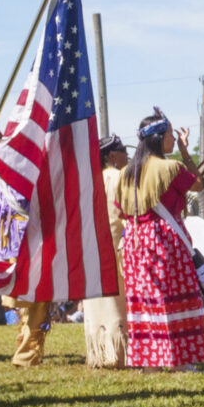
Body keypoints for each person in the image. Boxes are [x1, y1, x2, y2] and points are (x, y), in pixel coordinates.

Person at [118, 111, 204, 370]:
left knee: (145, 299)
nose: (174, 138)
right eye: (171, 135)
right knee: (173, 296)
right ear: (159, 139)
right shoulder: (171, 168)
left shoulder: (127, 172)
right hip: (165, 238)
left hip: (135, 239)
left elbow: (120, 209)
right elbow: (199, 184)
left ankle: (150, 359)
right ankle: (178, 359)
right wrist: (184, 151)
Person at [83, 134, 128, 366]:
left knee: (97, 301)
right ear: (112, 156)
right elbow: (127, 213)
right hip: (115, 246)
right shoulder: (120, 177)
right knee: (116, 302)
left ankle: (99, 353)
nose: (128, 156)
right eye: (124, 151)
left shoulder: (88, 180)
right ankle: (118, 354)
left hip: (91, 249)